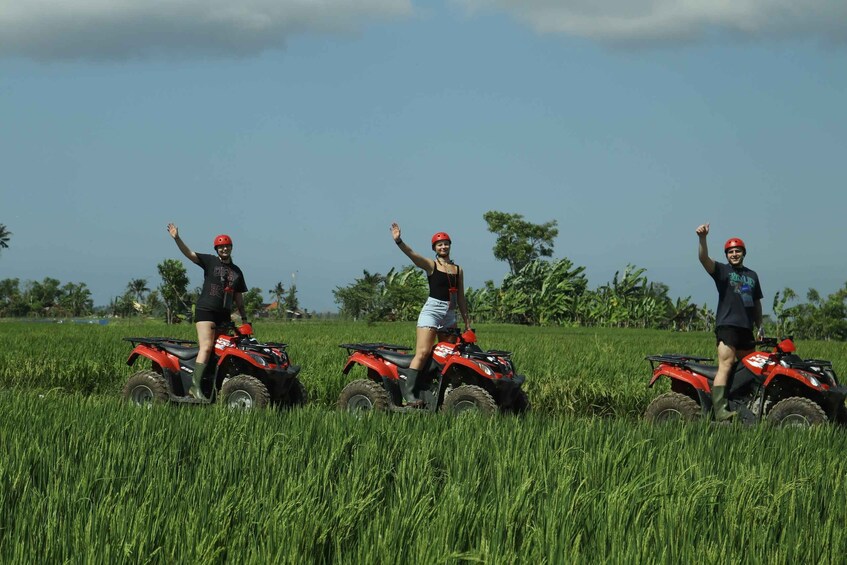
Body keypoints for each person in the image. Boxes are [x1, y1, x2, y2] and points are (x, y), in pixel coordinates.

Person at [390, 222, 471, 407]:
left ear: (450, 245)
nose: (443, 247)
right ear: (435, 248)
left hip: (450, 314)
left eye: (446, 243)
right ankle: (409, 392)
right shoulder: (431, 265)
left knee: (447, 354)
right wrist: (399, 241)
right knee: (424, 351)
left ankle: (441, 390)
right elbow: (413, 255)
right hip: (432, 311)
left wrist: (467, 322)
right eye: (439, 244)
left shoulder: (458, 270)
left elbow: (461, 297)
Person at [167, 223, 249, 400]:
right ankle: (194, 388)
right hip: (206, 310)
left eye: (227, 246)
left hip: (224, 315)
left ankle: (216, 384)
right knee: (206, 346)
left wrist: (245, 319)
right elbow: (190, 254)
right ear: (217, 249)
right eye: (221, 247)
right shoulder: (210, 261)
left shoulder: (237, 272)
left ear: (231, 248)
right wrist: (177, 238)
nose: (224, 249)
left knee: (223, 349)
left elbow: (238, 298)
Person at [696, 223, 763, 421]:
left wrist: (760, 325)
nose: (734, 254)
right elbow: (703, 259)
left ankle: (745, 402)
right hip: (727, 326)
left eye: (737, 251)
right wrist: (702, 238)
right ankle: (720, 410)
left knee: (752, 367)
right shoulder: (722, 271)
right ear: (727, 255)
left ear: (744, 253)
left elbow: (757, 303)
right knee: (726, 364)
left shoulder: (752, 275)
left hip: (746, 329)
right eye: (731, 252)